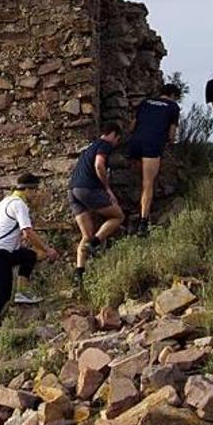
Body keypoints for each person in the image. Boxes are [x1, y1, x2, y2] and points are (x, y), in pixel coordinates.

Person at [0, 173, 60, 347]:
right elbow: (28, 232)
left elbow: (15, 231)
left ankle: (22, 292)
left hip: (0, 251)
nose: (36, 194)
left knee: (28, 256)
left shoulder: (6, 201)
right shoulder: (19, 204)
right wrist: (47, 249)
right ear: (28, 189)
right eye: (35, 190)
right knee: (2, 294)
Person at [68, 121, 125, 288]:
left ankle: (79, 273)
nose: (116, 144)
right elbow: (99, 164)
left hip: (72, 190)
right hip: (87, 189)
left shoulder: (89, 147)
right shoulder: (105, 144)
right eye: (118, 140)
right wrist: (107, 189)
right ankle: (95, 243)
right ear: (113, 134)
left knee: (86, 234)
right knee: (118, 216)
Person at [127, 84, 182, 237]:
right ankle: (143, 222)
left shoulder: (145, 102)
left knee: (138, 179)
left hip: (136, 142)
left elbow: (132, 126)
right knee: (148, 183)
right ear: (173, 95)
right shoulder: (173, 107)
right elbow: (171, 135)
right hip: (153, 144)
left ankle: (132, 208)